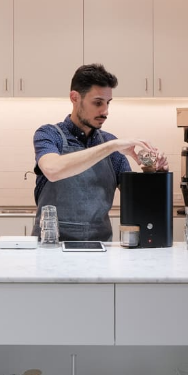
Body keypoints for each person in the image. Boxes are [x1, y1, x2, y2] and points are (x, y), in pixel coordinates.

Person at [31, 63, 167, 242]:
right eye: (97, 103)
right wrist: (111, 146)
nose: (105, 111)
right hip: (51, 247)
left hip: (100, 248)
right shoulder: (49, 134)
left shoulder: (111, 144)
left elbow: (138, 201)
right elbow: (53, 170)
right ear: (74, 98)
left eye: (108, 103)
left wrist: (156, 173)